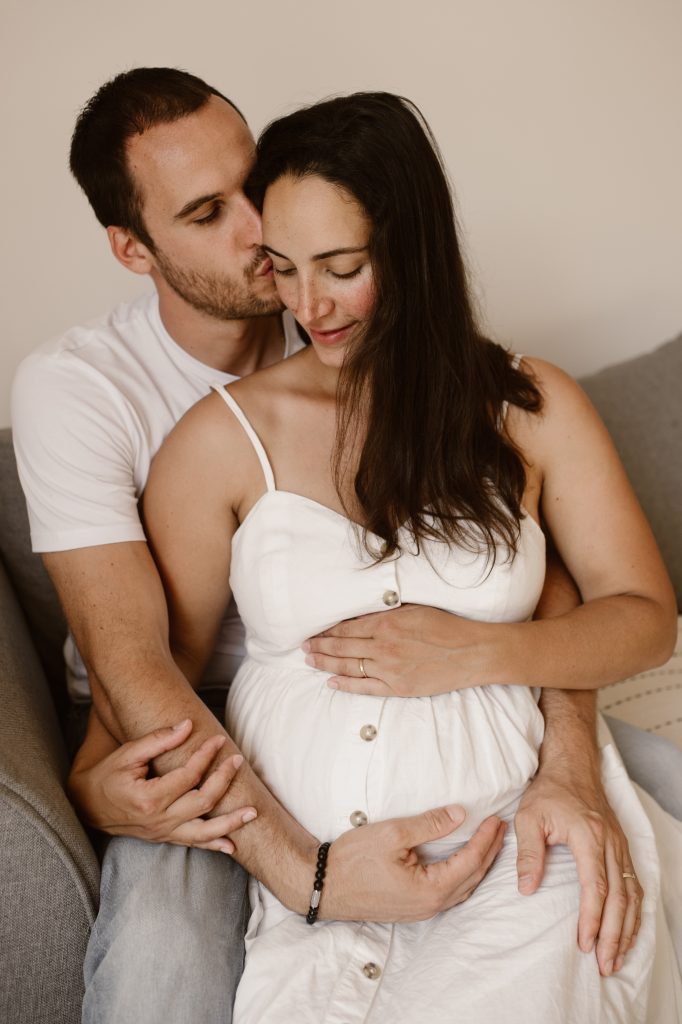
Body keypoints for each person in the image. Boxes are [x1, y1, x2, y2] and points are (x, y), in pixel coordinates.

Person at [8, 68, 670, 1022]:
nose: (270, 262)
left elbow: (569, 581)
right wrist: (295, 871)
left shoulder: (492, 390)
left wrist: (536, 722)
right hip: (218, 751)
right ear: (133, 247)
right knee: (161, 969)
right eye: (211, 215)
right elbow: (144, 666)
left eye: (258, 192)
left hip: (496, 780)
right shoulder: (117, 402)